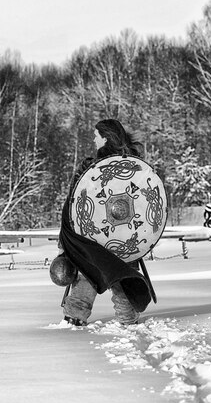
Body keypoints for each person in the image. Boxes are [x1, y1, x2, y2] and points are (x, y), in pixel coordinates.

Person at [58, 119, 152, 326]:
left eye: (96, 135)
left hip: (101, 233)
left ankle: (75, 314)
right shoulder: (135, 167)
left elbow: (74, 199)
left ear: (106, 138)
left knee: (90, 268)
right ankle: (127, 316)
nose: (93, 139)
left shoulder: (91, 167)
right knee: (121, 269)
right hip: (127, 233)